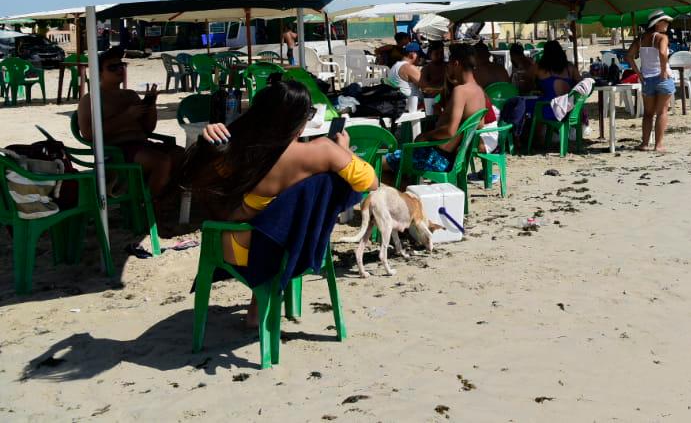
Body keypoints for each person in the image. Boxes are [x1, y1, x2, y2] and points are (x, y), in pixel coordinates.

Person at [185, 79, 376, 323]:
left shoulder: (241, 150)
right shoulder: (322, 152)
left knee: (268, 219)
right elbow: (371, 183)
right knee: (292, 211)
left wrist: (207, 144)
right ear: (301, 120)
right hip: (296, 246)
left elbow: (200, 183)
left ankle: (259, 301)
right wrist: (345, 150)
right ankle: (262, 304)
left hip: (236, 250)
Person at [77, 46, 184, 196]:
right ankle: (150, 207)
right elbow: (88, 134)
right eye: (112, 67)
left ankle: (166, 197)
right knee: (162, 162)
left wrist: (151, 104)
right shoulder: (91, 99)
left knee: (181, 155)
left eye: (121, 65)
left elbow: (148, 128)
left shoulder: (131, 95)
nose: (119, 69)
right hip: (116, 152)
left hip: (141, 145)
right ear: (99, 73)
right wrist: (125, 117)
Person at [418, 44, 490, 161]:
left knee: (383, 162)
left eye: (449, 64)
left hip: (437, 157)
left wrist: (425, 136)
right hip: (455, 158)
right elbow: (480, 125)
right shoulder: (479, 90)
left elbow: (450, 132)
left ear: (456, 64)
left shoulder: (460, 91)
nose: (447, 67)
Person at [628, 11, 675, 151]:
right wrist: (663, 71)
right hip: (662, 79)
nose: (667, 24)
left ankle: (644, 143)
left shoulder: (640, 39)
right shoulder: (662, 37)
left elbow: (629, 56)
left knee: (648, 114)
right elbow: (662, 53)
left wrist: (639, 74)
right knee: (662, 112)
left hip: (647, 79)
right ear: (657, 23)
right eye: (665, 21)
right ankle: (658, 145)